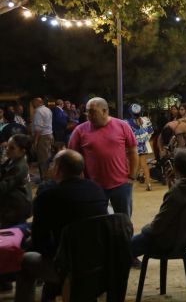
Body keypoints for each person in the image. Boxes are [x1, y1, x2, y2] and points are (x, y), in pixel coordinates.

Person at [15, 150, 108, 302]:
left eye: (52, 163)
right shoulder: (96, 189)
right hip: (99, 260)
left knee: (24, 260)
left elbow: (39, 243)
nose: (50, 166)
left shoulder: (47, 197)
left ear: (58, 169)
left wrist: (31, 241)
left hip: (67, 266)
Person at [131, 150, 186, 258]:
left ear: (175, 168)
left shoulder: (177, 192)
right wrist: (172, 186)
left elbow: (157, 227)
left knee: (124, 248)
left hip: (169, 243)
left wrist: (144, 229)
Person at [68, 97, 138, 218]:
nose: (89, 115)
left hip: (121, 184)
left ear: (105, 111)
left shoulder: (122, 126)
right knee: (96, 221)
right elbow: (72, 157)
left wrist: (132, 175)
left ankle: (123, 238)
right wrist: (80, 180)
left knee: (123, 219)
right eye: (87, 111)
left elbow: (133, 151)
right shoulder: (80, 130)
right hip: (93, 186)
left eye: (93, 111)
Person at [0, 134, 33, 228]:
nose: (7, 149)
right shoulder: (12, 160)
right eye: (7, 146)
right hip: (10, 206)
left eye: (12, 148)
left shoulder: (19, 167)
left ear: (23, 151)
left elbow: (3, 187)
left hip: (16, 209)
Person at [127, 105, 155, 190]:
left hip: (133, 146)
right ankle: (148, 184)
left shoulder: (126, 122)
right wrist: (144, 140)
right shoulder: (146, 120)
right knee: (144, 164)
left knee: (132, 165)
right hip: (143, 146)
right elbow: (151, 132)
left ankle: (130, 184)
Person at [31, 98, 54, 180]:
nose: (32, 105)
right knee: (47, 157)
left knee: (42, 159)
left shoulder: (38, 111)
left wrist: (36, 141)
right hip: (49, 135)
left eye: (33, 102)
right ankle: (47, 176)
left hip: (42, 137)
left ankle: (44, 179)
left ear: (38, 102)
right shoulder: (47, 109)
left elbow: (38, 128)